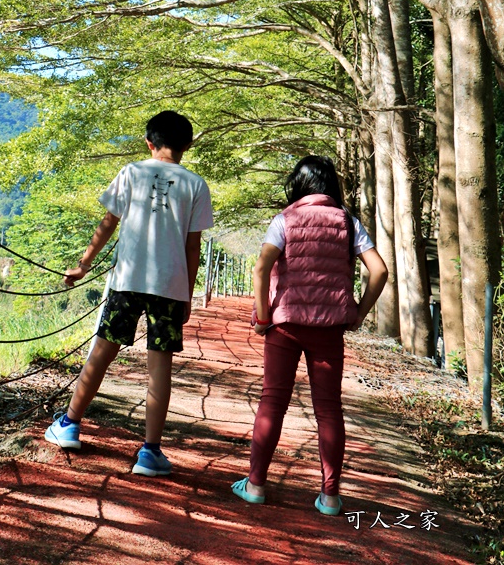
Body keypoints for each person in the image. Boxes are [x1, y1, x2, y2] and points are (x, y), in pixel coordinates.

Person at [45, 109, 213, 477]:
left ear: (149, 143)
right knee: (160, 365)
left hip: (127, 280)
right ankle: (150, 453)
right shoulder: (195, 184)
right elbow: (192, 246)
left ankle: (70, 424)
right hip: (170, 287)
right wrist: (186, 294)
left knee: (103, 350)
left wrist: (84, 264)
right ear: (187, 144)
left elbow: (108, 222)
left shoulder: (132, 172)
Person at [231, 155, 388, 514]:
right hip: (330, 329)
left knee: (273, 402)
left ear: (298, 185)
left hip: (285, 325)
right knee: (329, 410)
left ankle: (255, 485)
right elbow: (379, 271)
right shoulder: (348, 223)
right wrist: (358, 314)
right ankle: (330, 496)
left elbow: (261, 268)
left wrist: (263, 316)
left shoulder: (286, 219)